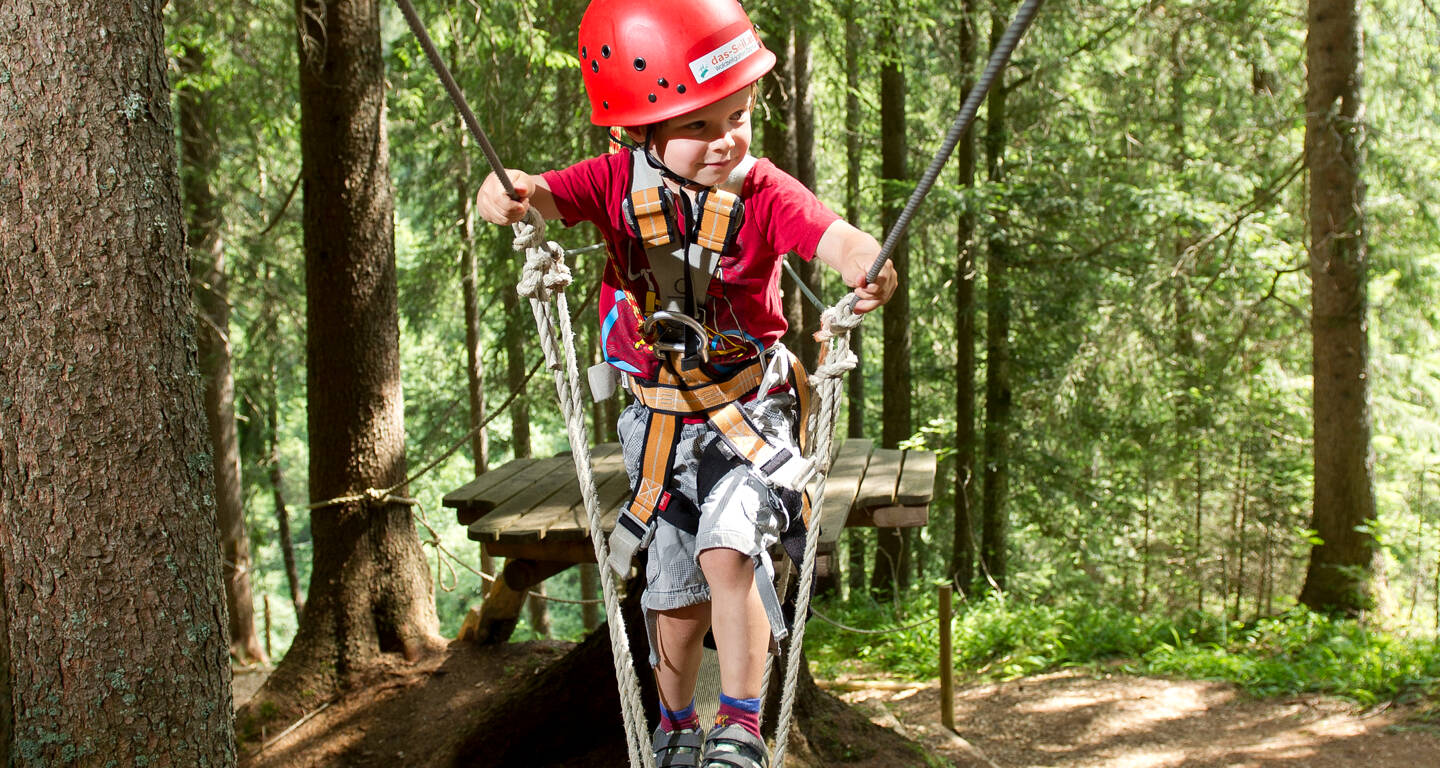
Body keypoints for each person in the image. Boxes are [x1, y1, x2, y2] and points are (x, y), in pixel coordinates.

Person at [477, 1, 896, 765]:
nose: (726, 139)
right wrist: (502, 194)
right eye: (698, 125)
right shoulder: (610, 183)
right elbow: (537, 195)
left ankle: (739, 724)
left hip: (751, 411)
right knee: (671, 582)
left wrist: (864, 261)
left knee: (732, 548)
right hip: (659, 422)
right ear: (635, 131)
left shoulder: (762, 190)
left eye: (736, 115)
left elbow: (830, 233)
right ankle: (675, 725)